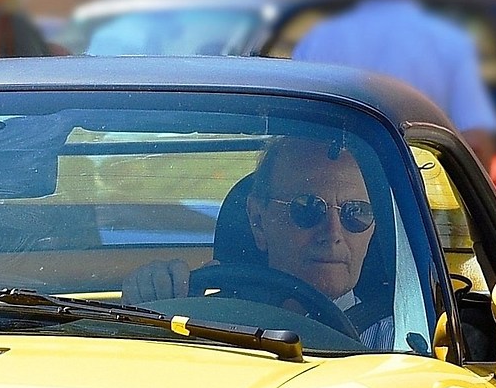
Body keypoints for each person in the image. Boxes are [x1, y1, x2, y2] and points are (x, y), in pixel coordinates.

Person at [120, 134, 394, 347]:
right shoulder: (199, 323)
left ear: (373, 229)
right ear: (258, 221)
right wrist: (149, 314)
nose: (333, 234)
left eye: (356, 213)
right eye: (308, 208)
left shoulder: (402, 343)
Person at [290, 0, 496, 158]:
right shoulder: (452, 43)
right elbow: (476, 143)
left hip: (336, 178)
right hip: (424, 180)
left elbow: (296, 133)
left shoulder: (319, 39)